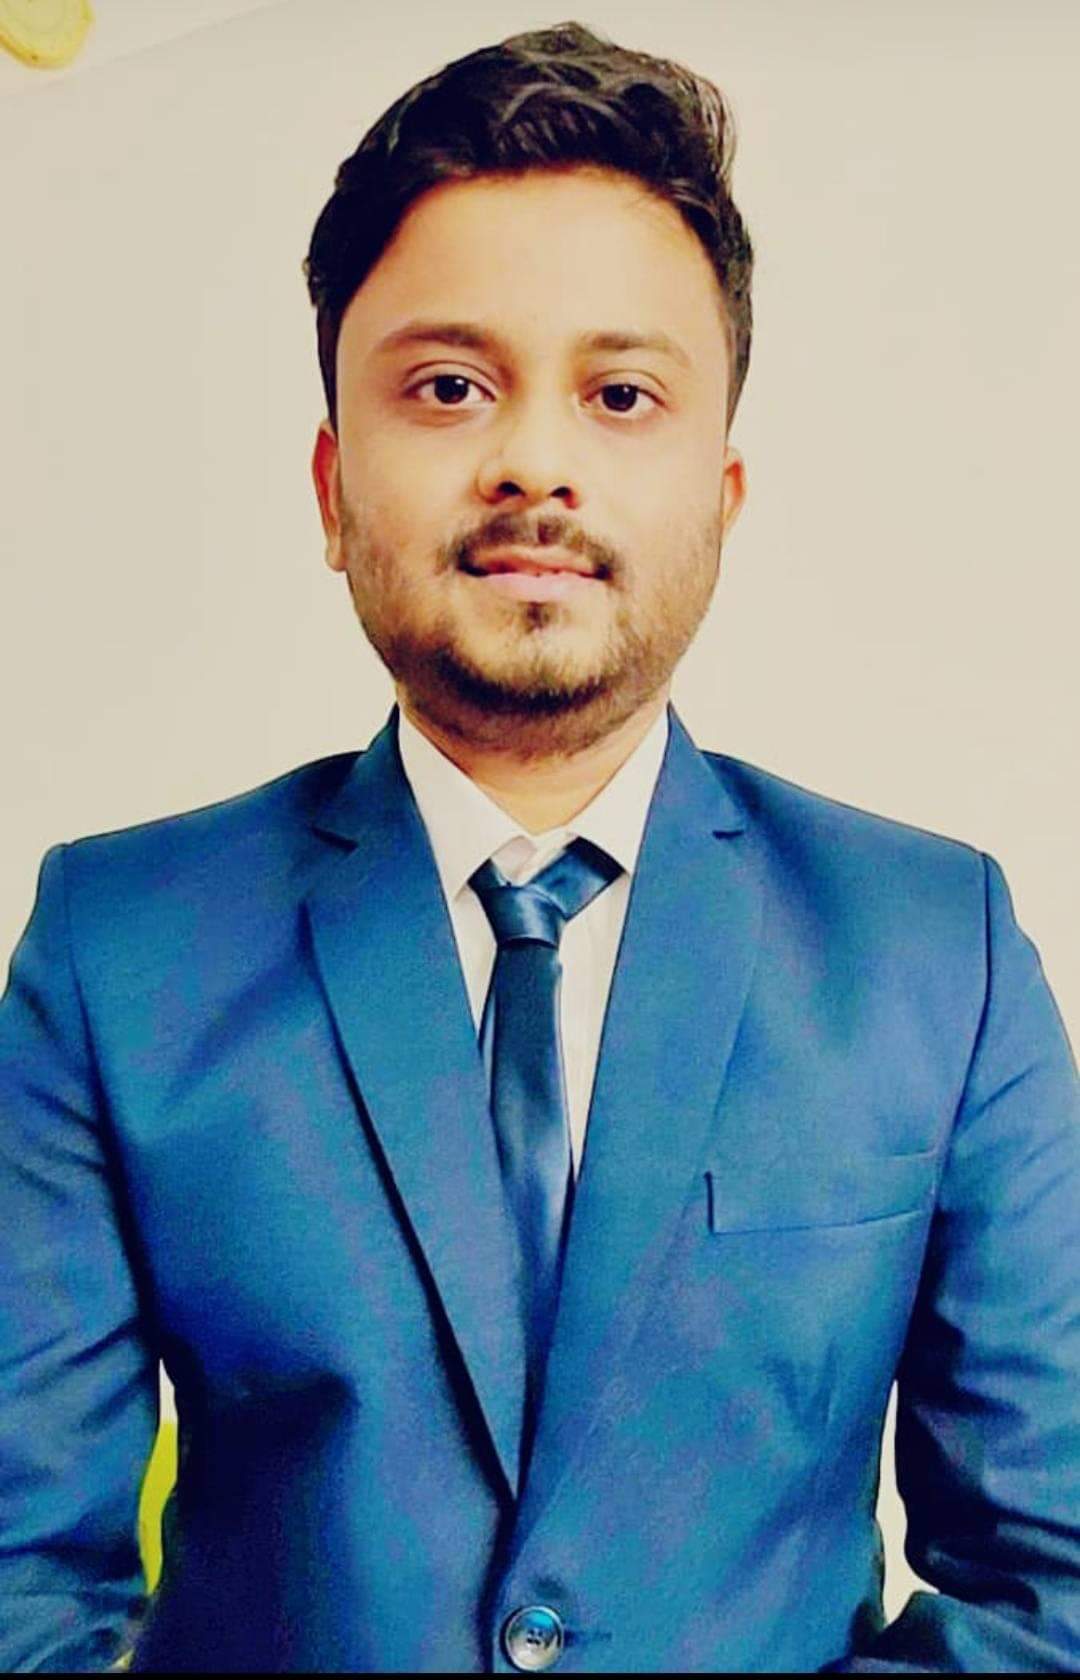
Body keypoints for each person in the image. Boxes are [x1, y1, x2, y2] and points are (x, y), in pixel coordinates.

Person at [1, 18, 1077, 1674]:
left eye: (621, 394)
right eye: (448, 387)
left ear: (723, 495)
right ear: (331, 484)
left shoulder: (944, 953)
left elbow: (1050, 1586)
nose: (534, 463)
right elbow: (19, 1586)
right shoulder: (113, 948)